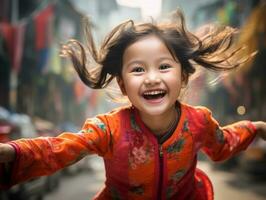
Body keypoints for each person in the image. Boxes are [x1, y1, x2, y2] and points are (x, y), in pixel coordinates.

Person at [0, 10, 266, 200]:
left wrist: (254, 127)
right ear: (124, 84)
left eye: (164, 66)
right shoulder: (108, 129)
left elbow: (223, 143)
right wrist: (12, 152)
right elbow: (58, 149)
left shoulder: (198, 122)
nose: (151, 78)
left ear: (183, 76)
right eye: (138, 69)